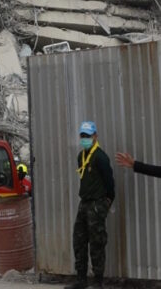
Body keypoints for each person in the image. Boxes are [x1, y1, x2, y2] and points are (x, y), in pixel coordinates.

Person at [66, 121, 114, 289]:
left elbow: (109, 182)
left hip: (97, 204)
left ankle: (98, 282)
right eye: (82, 136)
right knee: (79, 241)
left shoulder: (101, 157)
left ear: (95, 136)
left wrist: (107, 201)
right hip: (84, 203)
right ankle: (81, 280)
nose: (84, 139)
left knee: (97, 243)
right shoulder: (81, 156)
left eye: (87, 136)